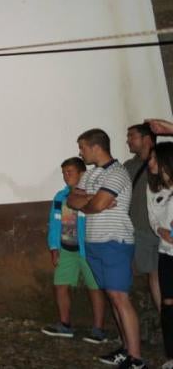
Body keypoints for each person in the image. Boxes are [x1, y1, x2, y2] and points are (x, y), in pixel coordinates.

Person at [67, 128, 145, 368]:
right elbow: (72, 200)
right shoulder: (90, 175)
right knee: (112, 297)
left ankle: (136, 358)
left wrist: (90, 201)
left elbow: (97, 204)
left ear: (95, 147)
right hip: (94, 241)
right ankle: (125, 348)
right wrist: (93, 201)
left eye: (82, 147)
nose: (80, 152)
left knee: (120, 297)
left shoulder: (117, 173)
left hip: (114, 240)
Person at [41, 157, 107, 342]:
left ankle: (99, 329)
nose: (65, 176)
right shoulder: (60, 197)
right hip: (66, 248)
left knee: (95, 288)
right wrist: (54, 247)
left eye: (69, 172)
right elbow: (54, 223)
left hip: (87, 250)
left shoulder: (91, 196)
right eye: (63, 172)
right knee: (60, 285)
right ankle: (65, 325)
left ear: (81, 173)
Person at [125, 123, 161, 311]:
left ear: (147, 139)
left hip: (166, 230)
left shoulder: (166, 159)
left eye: (132, 136)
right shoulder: (129, 166)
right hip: (142, 230)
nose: (128, 140)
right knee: (153, 274)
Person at [146, 142, 173, 369]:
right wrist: (160, 230)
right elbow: (154, 219)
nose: (150, 162)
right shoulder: (153, 188)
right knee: (168, 303)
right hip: (166, 252)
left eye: (154, 158)